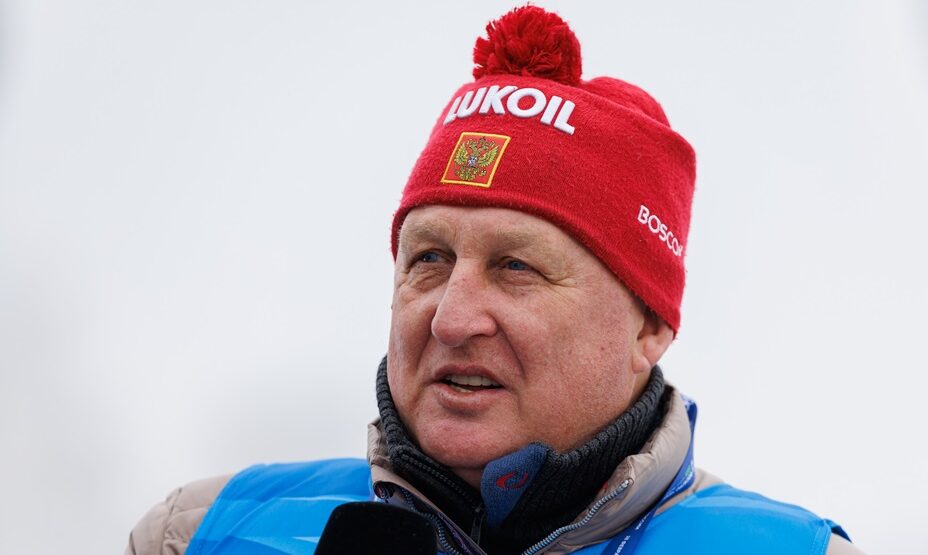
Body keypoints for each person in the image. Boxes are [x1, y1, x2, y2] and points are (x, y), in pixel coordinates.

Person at [125, 6, 864, 555]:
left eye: (516, 267)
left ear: (649, 324)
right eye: (428, 260)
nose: (451, 318)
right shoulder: (201, 533)